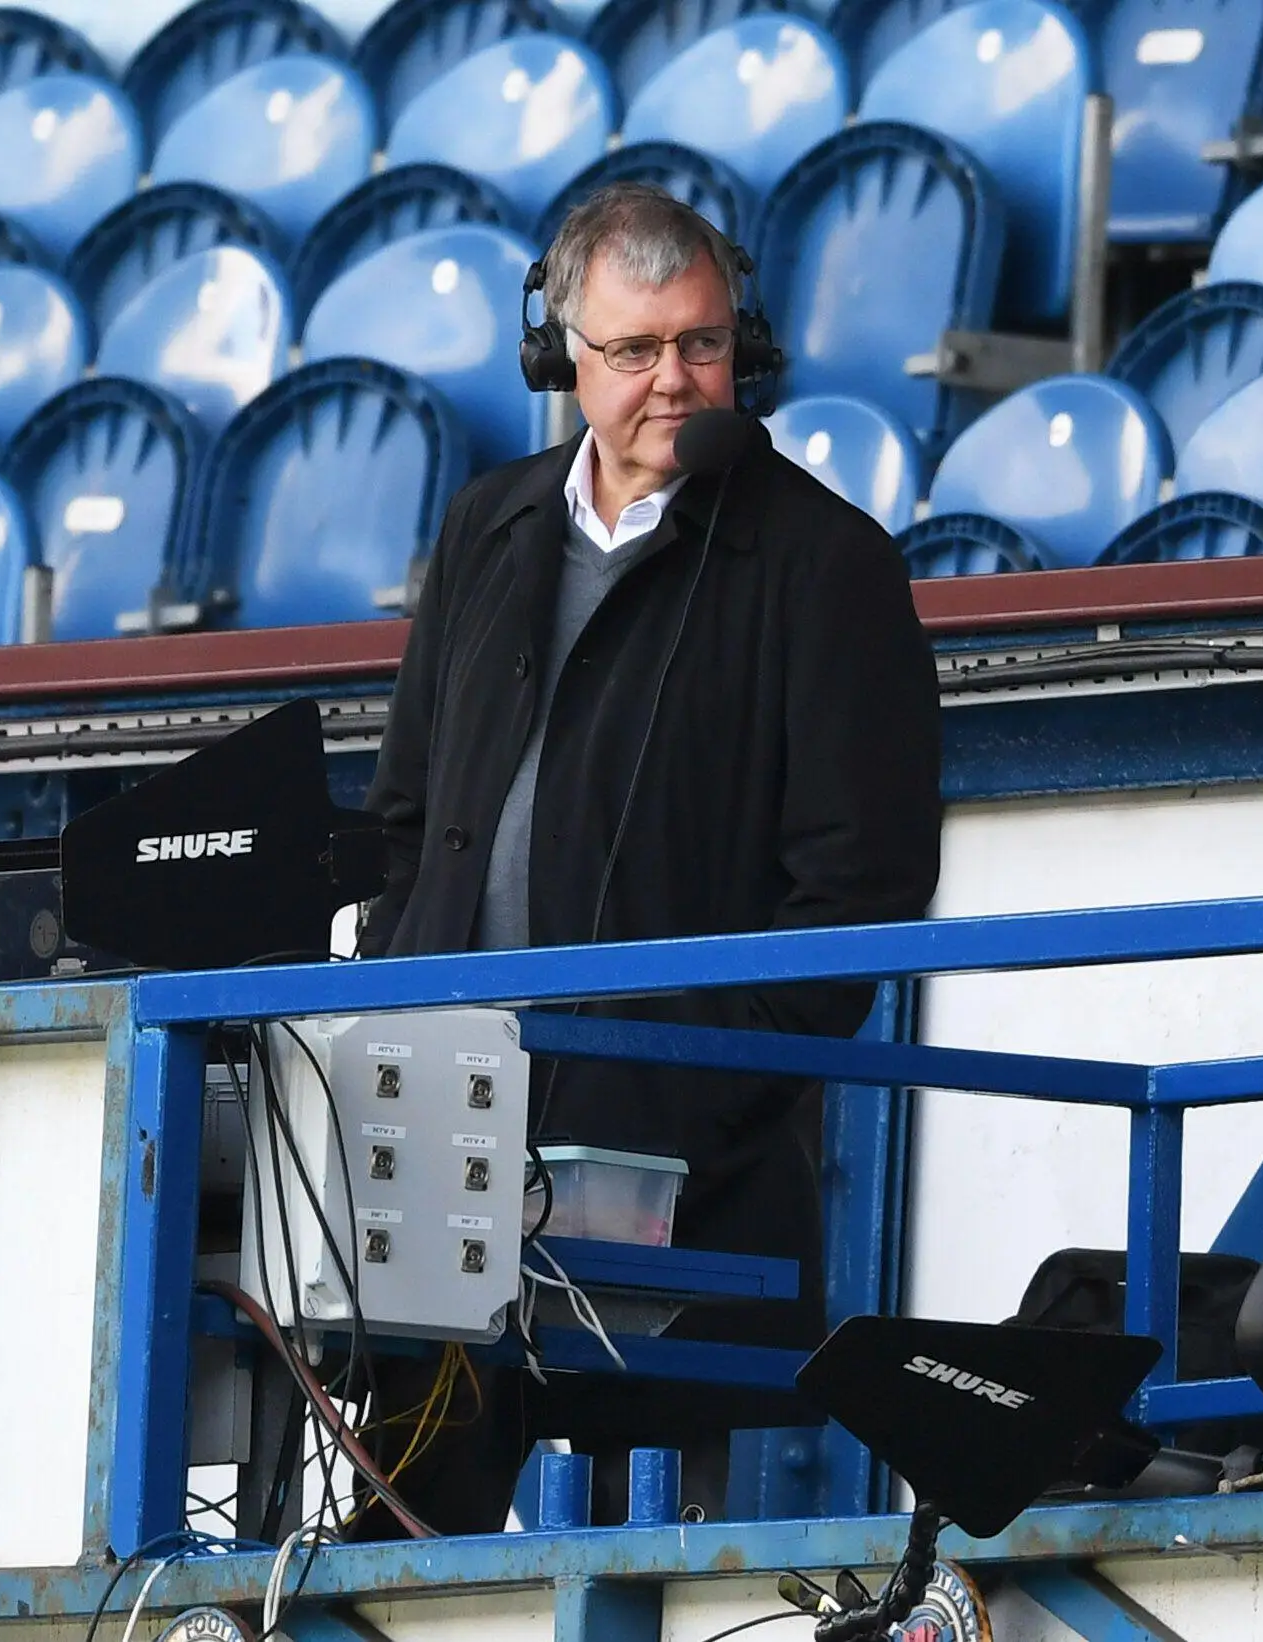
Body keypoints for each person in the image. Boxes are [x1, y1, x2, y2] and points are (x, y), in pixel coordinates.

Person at [352, 184, 944, 1531]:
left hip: (684, 1178)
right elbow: (401, 817)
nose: (673, 380)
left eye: (701, 343)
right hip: (444, 1144)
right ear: (557, 355)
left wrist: (694, 1096)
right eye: (633, 350)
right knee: (396, 1543)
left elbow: (857, 894)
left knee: (662, 1557)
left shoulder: (823, 563)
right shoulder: (483, 526)